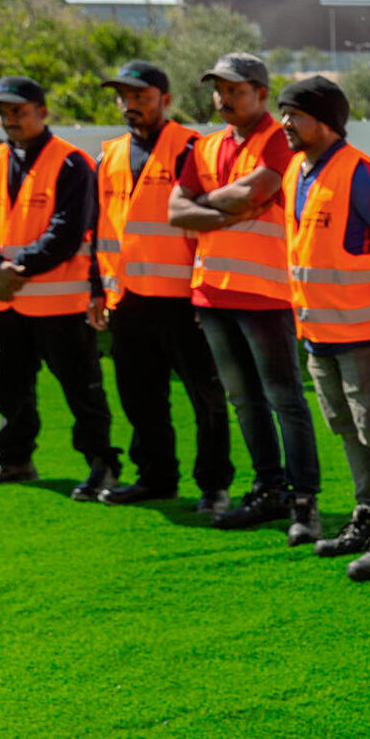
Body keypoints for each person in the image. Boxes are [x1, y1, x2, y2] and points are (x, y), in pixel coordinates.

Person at [169, 52, 321, 540]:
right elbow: (176, 211)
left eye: (235, 89)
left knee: (284, 399)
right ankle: (268, 490)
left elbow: (256, 192)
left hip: (267, 293)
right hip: (212, 293)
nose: (224, 97)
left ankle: (303, 502)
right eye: (220, 89)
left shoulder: (279, 139)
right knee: (244, 400)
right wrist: (225, 209)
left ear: (261, 92)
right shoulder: (206, 145)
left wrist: (206, 205)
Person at [275, 77, 370, 582]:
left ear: (326, 121)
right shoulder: (296, 169)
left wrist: (361, 294)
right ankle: (366, 516)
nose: (284, 124)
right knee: (346, 427)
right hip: (320, 332)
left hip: (367, 331)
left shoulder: (362, 174)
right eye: (282, 113)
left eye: (293, 114)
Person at [0, 75, 118, 498]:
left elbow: (68, 231)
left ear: (41, 112)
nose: (9, 120)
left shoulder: (71, 163)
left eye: (18, 111)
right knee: (7, 387)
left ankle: (102, 463)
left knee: (81, 389)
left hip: (60, 304)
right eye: (3, 113)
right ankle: (15, 460)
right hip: (4, 301)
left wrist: (16, 268)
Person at [87, 60, 234, 510]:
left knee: (205, 398)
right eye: (124, 98)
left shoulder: (194, 149)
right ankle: (155, 478)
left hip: (183, 301)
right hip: (127, 300)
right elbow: (99, 229)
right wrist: (97, 290)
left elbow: (212, 228)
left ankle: (213, 485)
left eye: (141, 98)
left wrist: (204, 292)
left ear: (165, 101)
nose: (131, 106)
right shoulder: (108, 155)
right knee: (140, 397)